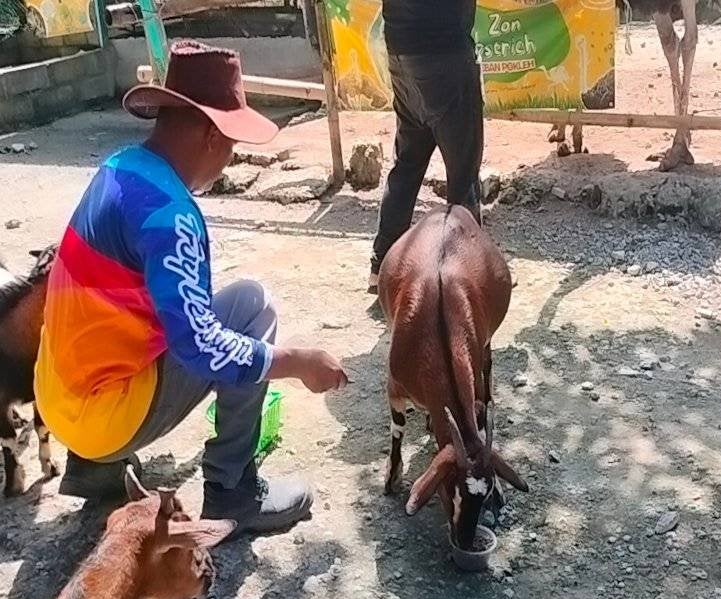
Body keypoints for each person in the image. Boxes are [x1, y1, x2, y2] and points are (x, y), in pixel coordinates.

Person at [35, 41, 349, 537]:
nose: (227, 159)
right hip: (103, 419)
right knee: (254, 309)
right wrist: (297, 362)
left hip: (57, 398)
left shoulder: (118, 167)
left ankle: (91, 471)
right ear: (209, 133)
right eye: (231, 144)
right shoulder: (172, 215)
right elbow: (201, 345)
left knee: (189, 305)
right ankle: (234, 491)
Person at [367, 0, 484, 293]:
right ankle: (467, 275)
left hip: (401, 54)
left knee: (407, 164)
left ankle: (382, 267)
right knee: (463, 173)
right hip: (444, 55)